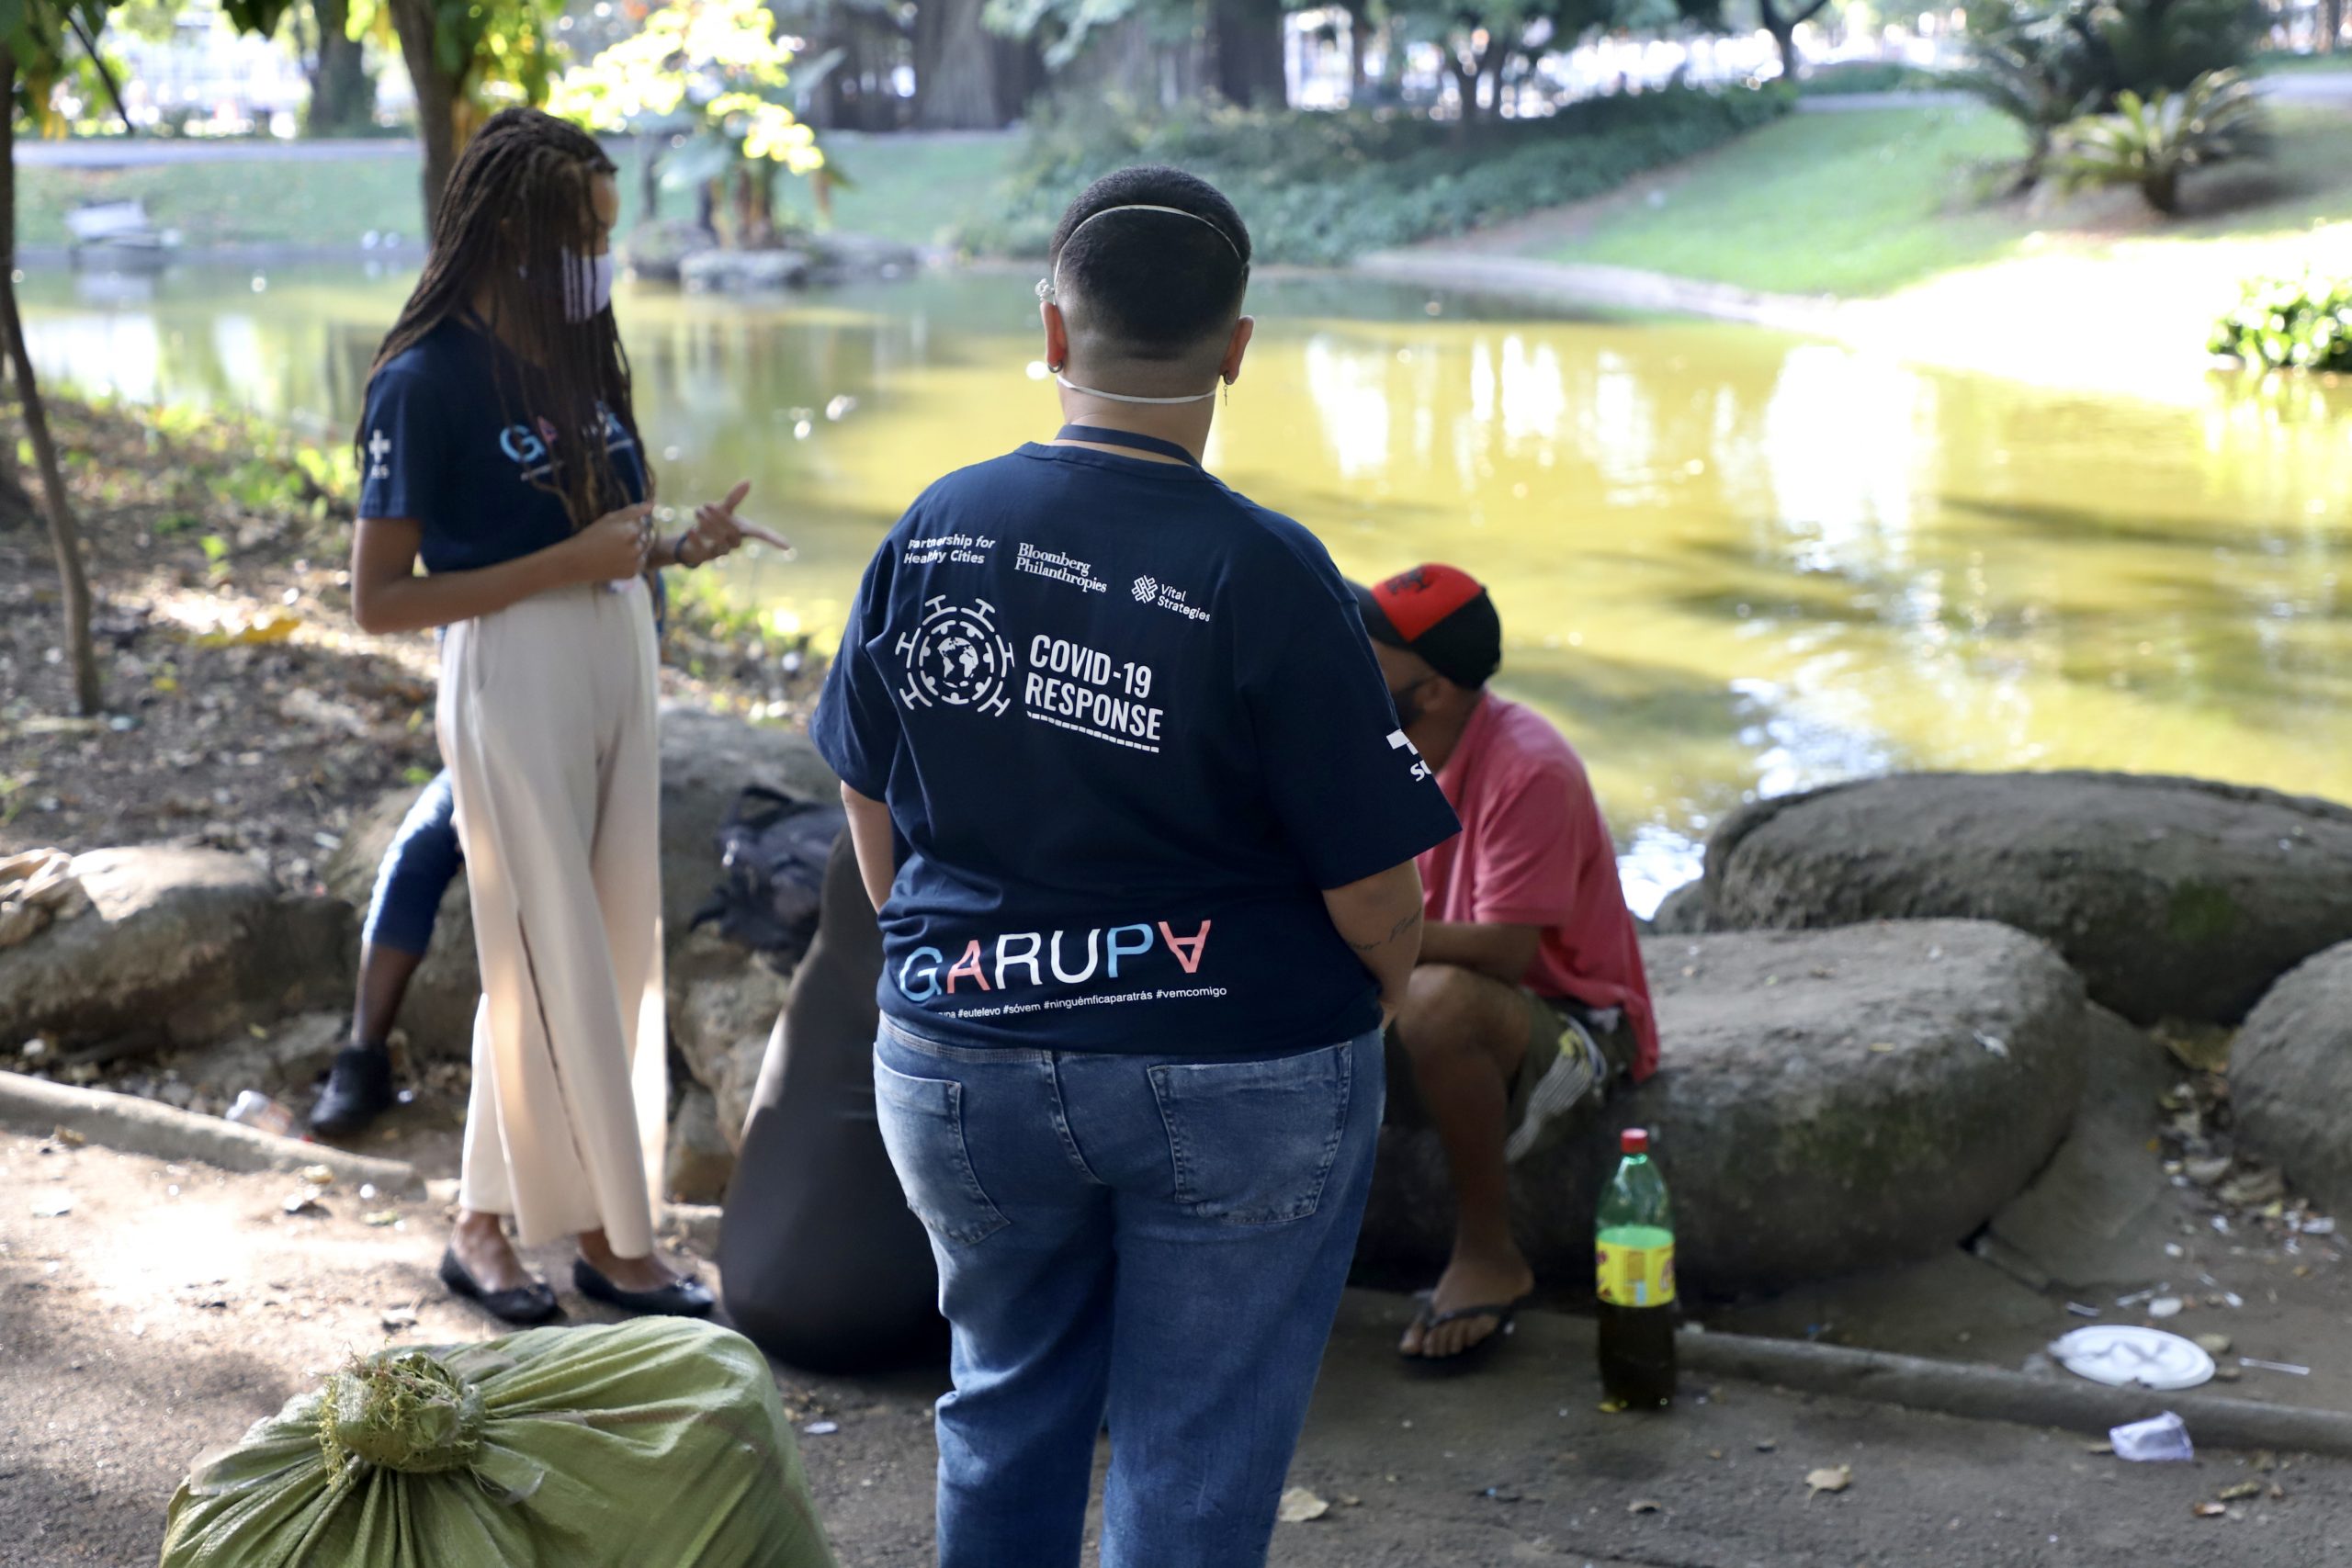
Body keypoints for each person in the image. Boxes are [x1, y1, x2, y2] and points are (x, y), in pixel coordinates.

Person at [811, 166, 1461, 1568]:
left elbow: (868, 800)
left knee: (1000, 1401)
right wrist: (1382, 989)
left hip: (958, 1050)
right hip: (1237, 1066)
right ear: (1237, 348)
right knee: (1194, 1445)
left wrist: (963, 968)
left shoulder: (936, 525)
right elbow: (1376, 901)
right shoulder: (1273, 570)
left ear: (1051, 334)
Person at [346, 107, 754, 1324]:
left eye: (605, 234)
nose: (601, 259)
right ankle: (615, 1242)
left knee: (608, 947)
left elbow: (599, 537)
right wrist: (571, 561)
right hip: (512, 666)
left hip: (614, 648)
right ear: (508, 236)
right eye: (582, 235)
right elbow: (379, 600)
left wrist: (673, 544)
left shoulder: (575, 357)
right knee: (551, 952)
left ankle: (482, 1223)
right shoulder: (422, 382)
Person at [1352, 563, 1658, 1364]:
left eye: (1373, 656)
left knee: (1437, 1000)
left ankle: (1490, 1249)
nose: (1350, 663)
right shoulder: (1375, 743)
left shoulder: (1530, 766)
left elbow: (1506, 951)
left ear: (1436, 691)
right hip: (1425, 985)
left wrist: (1362, 930)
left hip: (1573, 1020)